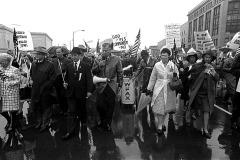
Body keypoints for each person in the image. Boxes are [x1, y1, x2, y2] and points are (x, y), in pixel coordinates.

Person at [146, 46, 179, 135]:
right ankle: (160, 125)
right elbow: (152, 78)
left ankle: (162, 123)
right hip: (159, 88)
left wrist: (175, 75)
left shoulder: (173, 65)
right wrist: (149, 88)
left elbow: (177, 77)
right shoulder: (157, 65)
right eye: (162, 55)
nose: (163, 57)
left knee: (165, 108)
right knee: (160, 107)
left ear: (169, 56)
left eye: (165, 55)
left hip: (169, 89)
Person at [62, 47, 93, 140]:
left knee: (82, 109)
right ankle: (70, 131)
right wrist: (65, 83)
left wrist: (89, 91)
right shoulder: (69, 66)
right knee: (71, 111)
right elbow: (66, 78)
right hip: (71, 93)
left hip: (82, 92)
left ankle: (83, 120)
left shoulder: (86, 66)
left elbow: (89, 79)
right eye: (72, 55)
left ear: (80, 56)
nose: (73, 57)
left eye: (75, 55)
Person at [187, 49, 219, 138]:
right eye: (206, 57)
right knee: (193, 106)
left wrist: (213, 73)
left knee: (206, 110)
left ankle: (205, 129)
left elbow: (217, 78)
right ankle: (189, 118)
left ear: (212, 58)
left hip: (207, 93)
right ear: (203, 57)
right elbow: (191, 77)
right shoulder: (197, 66)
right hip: (197, 91)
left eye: (209, 57)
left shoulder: (213, 67)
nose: (207, 59)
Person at [92, 42, 123, 131]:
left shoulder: (116, 59)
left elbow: (120, 72)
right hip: (101, 85)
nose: (104, 52)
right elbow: (93, 72)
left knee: (110, 105)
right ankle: (102, 120)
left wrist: (120, 84)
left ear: (110, 50)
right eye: (103, 50)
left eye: (106, 50)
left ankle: (107, 123)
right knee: (99, 105)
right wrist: (99, 65)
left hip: (111, 85)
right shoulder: (97, 59)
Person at [30, 46, 57, 132]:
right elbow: (31, 74)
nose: (36, 56)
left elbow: (53, 78)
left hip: (46, 90)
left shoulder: (50, 65)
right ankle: (39, 122)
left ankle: (45, 124)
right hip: (35, 89)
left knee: (46, 107)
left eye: (38, 54)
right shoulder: (34, 63)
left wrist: (44, 87)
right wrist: (31, 80)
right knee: (36, 107)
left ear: (43, 55)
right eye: (36, 54)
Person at [0, 53, 21, 133]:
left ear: (8, 61)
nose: (1, 62)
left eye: (3, 61)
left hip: (11, 93)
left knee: (12, 111)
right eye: (1, 61)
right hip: (1, 93)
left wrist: (9, 83)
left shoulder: (14, 69)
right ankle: (9, 120)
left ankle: (13, 125)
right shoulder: (0, 68)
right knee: (1, 110)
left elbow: (18, 80)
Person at [52, 47, 71, 115]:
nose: (58, 53)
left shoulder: (67, 61)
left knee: (63, 95)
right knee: (58, 95)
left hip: (63, 79)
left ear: (62, 52)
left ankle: (66, 109)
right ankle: (61, 109)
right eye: (57, 52)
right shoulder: (54, 60)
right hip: (56, 79)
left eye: (59, 52)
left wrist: (64, 71)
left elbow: (69, 71)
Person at [230, 48, 240, 130]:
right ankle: (233, 121)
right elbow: (233, 70)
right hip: (239, 88)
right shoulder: (239, 57)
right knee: (238, 106)